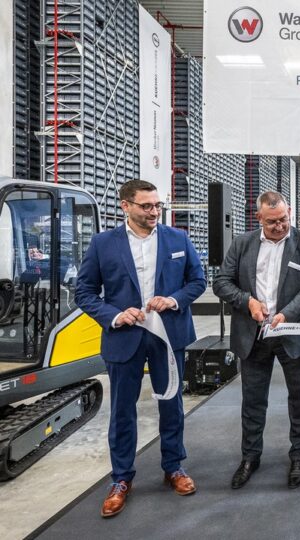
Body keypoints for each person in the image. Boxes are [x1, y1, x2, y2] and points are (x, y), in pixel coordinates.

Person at [75, 179, 205, 518]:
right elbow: (84, 292)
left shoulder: (178, 239)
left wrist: (173, 300)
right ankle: (121, 478)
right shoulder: (103, 244)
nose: (154, 212)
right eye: (146, 206)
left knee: (172, 405)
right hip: (124, 338)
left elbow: (197, 281)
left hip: (168, 337)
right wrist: (115, 315)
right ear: (126, 206)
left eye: (157, 205)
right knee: (122, 411)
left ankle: (174, 467)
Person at [213, 191, 300, 490]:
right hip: (254, 335)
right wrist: (247, 301)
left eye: (284, 219)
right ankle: (250, 457)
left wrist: (287, 314)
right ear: (258, 218)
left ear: (290, 214)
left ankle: (299, 456)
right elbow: (221, 282)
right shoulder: (242, 244)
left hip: (294, 334)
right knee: (252, 400)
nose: (279, 226)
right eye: (272, 221)